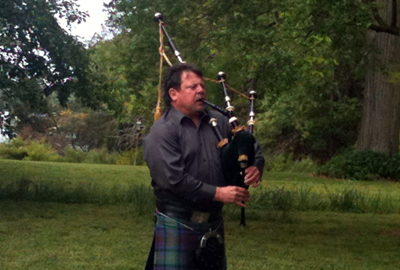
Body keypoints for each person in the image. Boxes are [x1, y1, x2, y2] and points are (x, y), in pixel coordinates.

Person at [143, 63, 265, 270]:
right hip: (177, 220)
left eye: (202, 86)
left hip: (213, 221)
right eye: (192, 87)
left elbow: (250, 145)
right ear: (174, 93)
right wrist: (218, 193)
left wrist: (256, 166)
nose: (201, 90)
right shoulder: (162, 131)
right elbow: (174, 179)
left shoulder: (220, 122)